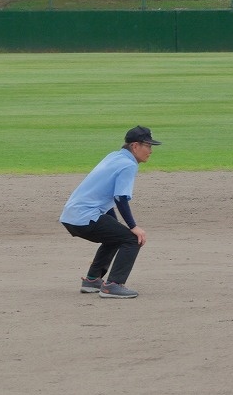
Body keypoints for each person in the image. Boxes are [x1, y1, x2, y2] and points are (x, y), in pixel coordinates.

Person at [59, 126, 161, 299]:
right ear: (135, 146)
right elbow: (120, 197)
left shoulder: (113, 156)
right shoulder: (128, 165)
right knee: (132, 239)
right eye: (148, 146)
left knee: (116, 236)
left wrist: (116, 225)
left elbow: (106, 198)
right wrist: (133, 226)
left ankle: (92, 280)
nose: (150, 151)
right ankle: (113, 285)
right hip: (85, 216)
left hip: (71, 216)